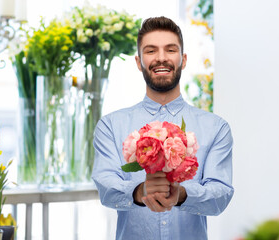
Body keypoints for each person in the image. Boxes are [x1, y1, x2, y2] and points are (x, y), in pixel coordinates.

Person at [92, 16, 234, 240]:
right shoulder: (110, 126)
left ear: (183, 60)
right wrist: (140, 192)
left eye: (170, 50)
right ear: (139, 62)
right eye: (150, 51)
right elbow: (106, 188)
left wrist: (183, 195)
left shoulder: (216, 128)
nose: (161, 58)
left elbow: (221, 194)